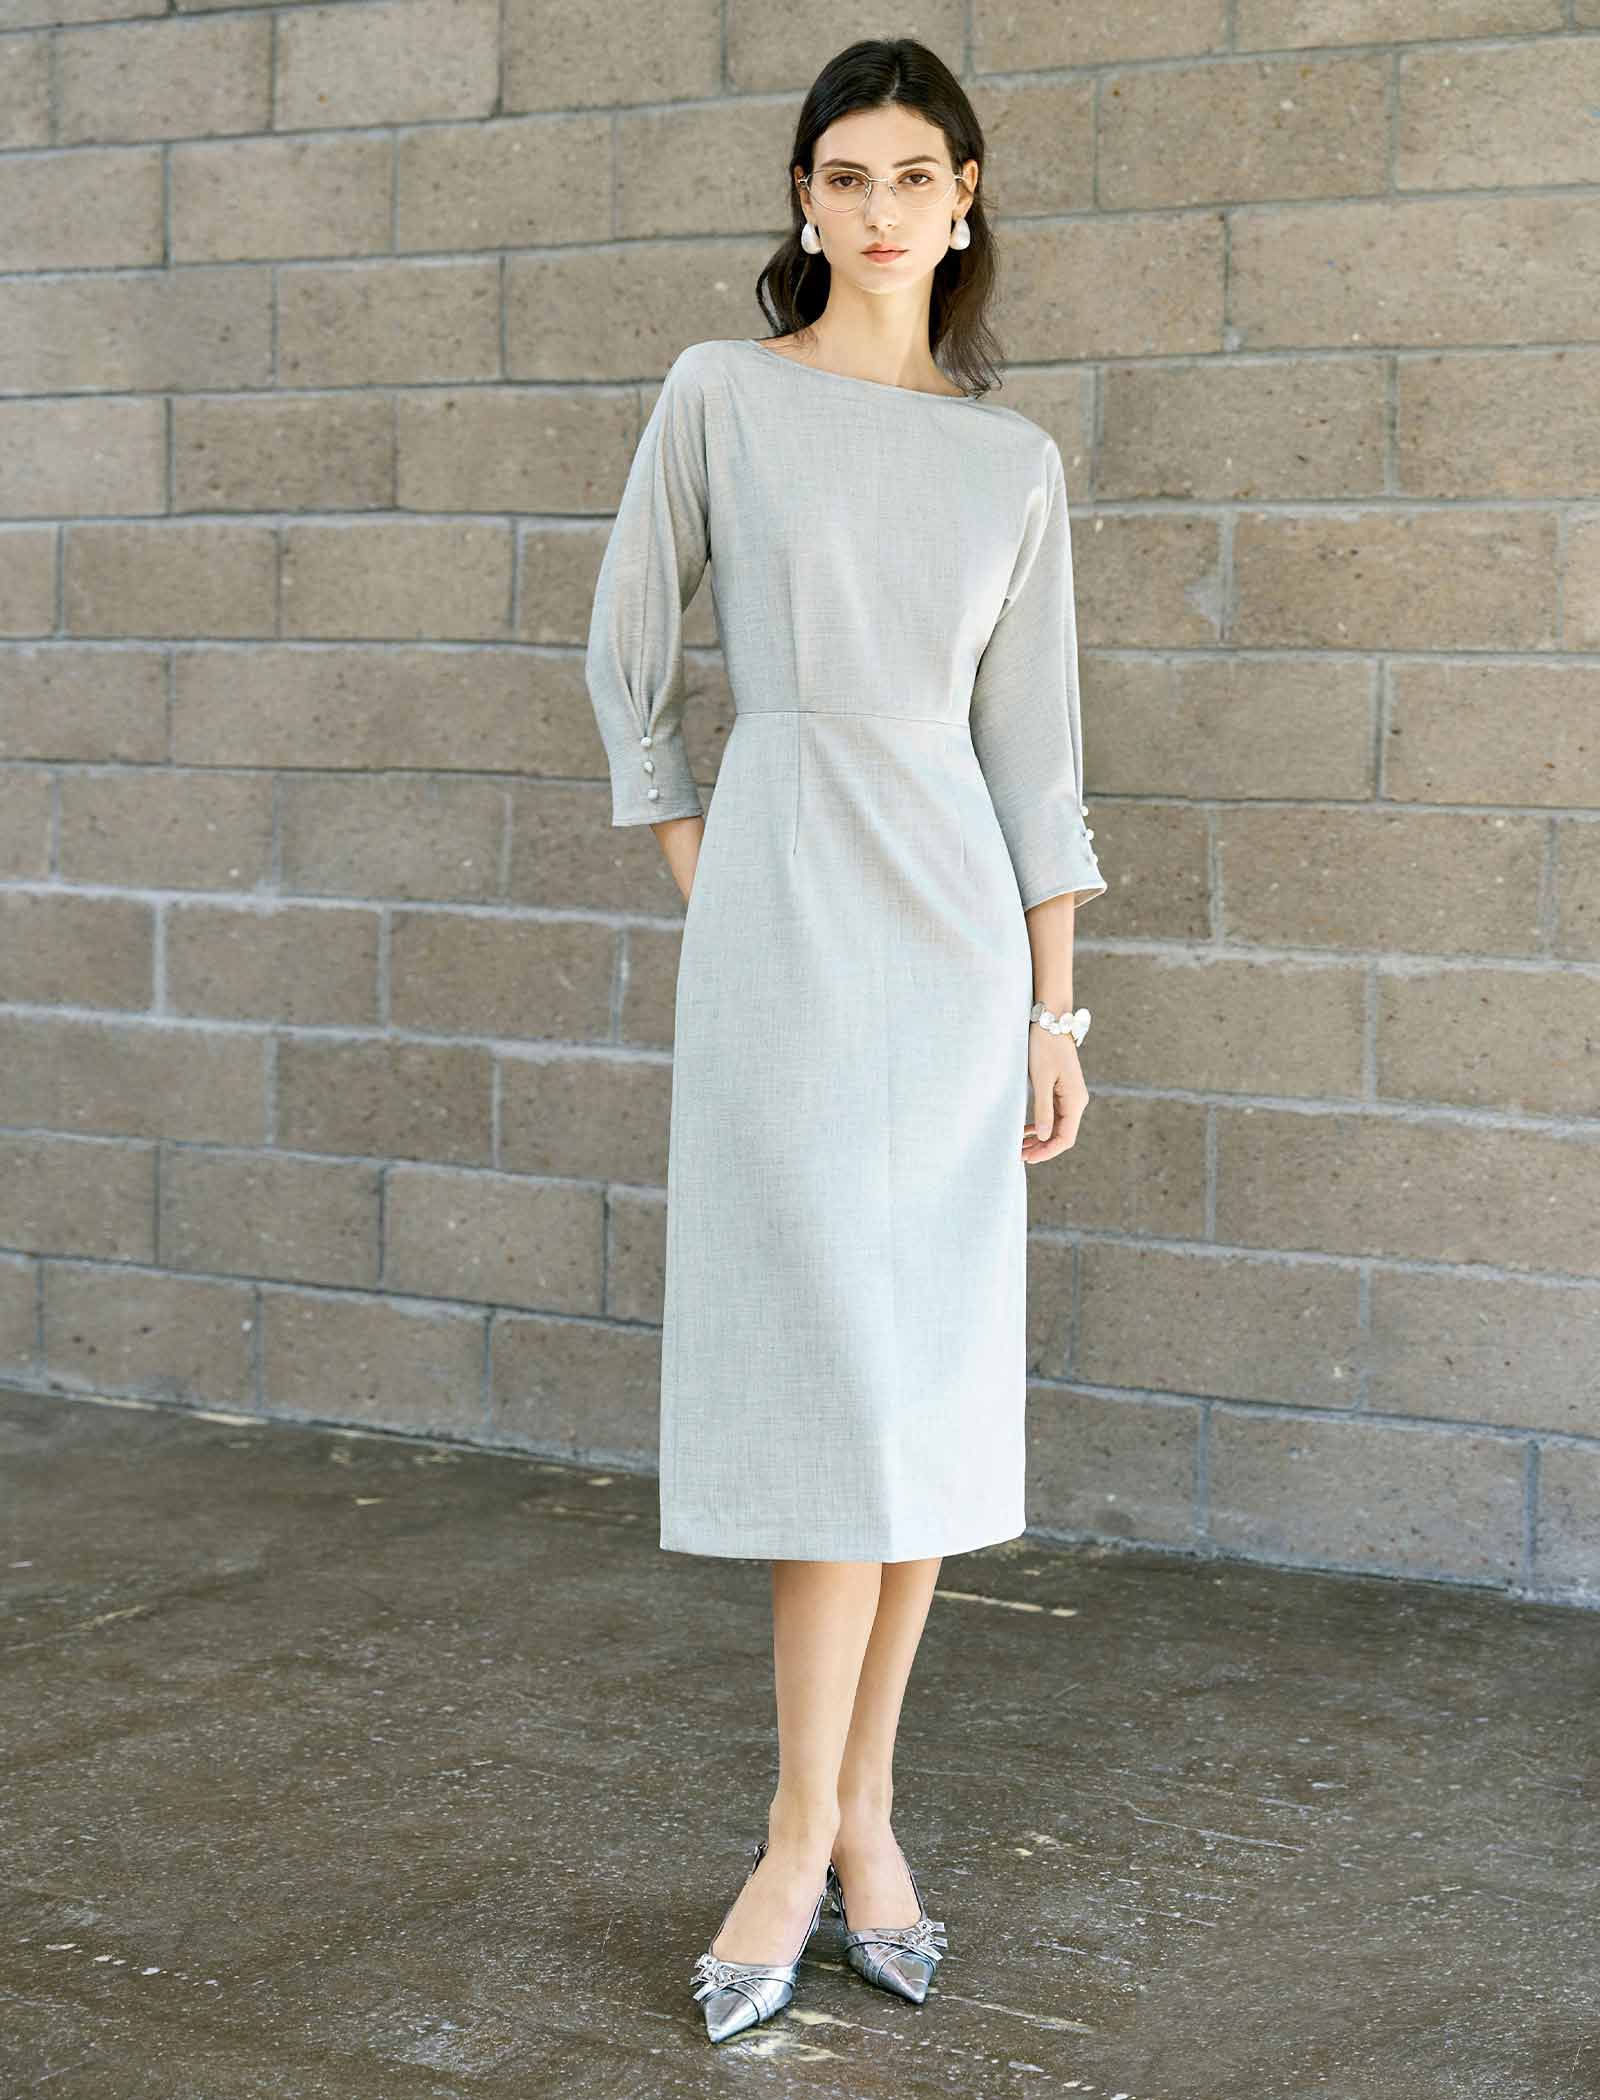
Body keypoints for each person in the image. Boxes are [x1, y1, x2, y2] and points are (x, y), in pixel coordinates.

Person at [583, 36, 1106, 2045]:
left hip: (961, 951)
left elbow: (1035, 759)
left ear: (964, 202)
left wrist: (1053, 1009)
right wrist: (717, 869)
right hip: (790, 929)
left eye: (914, 176)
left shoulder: (1009, 462)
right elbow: (629, 651)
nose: (879, 211)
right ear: (803, 201)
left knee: (924, 1403)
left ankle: (861, 1815)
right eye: (843, 176)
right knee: (828, 1396)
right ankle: (796, 1832)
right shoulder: (721, 395)